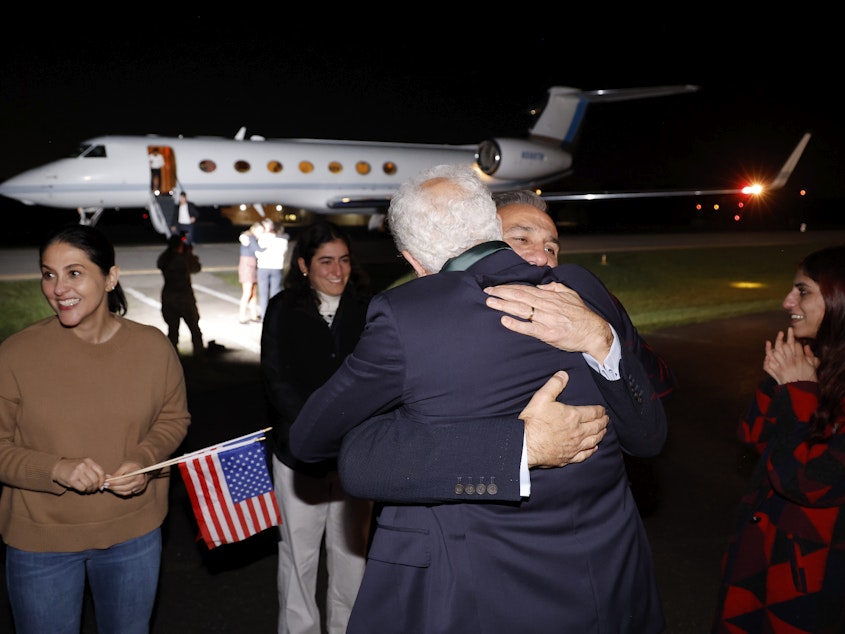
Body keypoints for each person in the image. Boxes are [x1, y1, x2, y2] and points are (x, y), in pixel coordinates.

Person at [289, 164, 668, 632]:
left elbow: (310, 440)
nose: (542, 255)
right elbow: (650, 435)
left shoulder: (410, 315)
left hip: (490, 594)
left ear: (414, 261)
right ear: (492, 225)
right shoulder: (583, 287)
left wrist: (601, 340)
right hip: (611, 585)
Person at [336, 189, 675, 504]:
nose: (542, 258)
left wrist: (601, 340)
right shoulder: (425, 336)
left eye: (552, 248)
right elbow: (367, 458)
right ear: (478, 250)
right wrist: (524, 446)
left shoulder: (592, 323)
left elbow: (648, 437)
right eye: (521, 239)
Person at [0, 224, 191, 634]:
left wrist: (142, 459)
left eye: (74, 272)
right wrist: (55, 468)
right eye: (48, 273)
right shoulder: (15, 355)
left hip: (133, 535)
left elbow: (173, 419)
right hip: (41, 544)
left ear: (110, 277)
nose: (57, 288)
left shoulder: (154, 347)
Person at [711, 245, 845, 633]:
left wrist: (798, 390)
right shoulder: (814, 361)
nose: (788, 301)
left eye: (802, 291)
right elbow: (753, 436)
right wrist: (778, 382)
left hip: (812, 578)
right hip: (766, 558)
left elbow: (806, 480)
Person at [260, 220, 373, 634]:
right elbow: (275, 381)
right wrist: (318, 428)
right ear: (304, 265)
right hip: (298, 455)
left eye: (344, 260)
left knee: (351, 556)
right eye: (326, 261)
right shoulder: (282, 309)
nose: (337, 271)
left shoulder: (366, 307)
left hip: (355, 456)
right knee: (298, 557)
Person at [157, 233, 204, 356]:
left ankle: (172, 357)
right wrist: (189, 254)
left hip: (168, 298)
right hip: (184, 299)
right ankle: (199, 356)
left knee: (173, 331)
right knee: (195, 330)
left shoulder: (164, 258)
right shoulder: (183, 259)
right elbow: (197, 268)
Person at [256, 218, 289, 321]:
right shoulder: (283, 240)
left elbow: (258, 250)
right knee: (276, 292)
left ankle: (265, 315)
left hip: (263, 266)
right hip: (276, 266)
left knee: (263, 293)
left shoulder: (264, 237)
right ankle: (275, 314)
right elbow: (284, 252)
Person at [238, 221, 264, 324]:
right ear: (254, 229)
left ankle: (253, 315)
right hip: (247, 266)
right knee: (247, 292)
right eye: (260, 231)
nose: (261, 233)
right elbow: (257, 249)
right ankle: (242, 316)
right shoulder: (250, 237)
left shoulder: (250, 237)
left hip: (252, 266)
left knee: (253, 292)